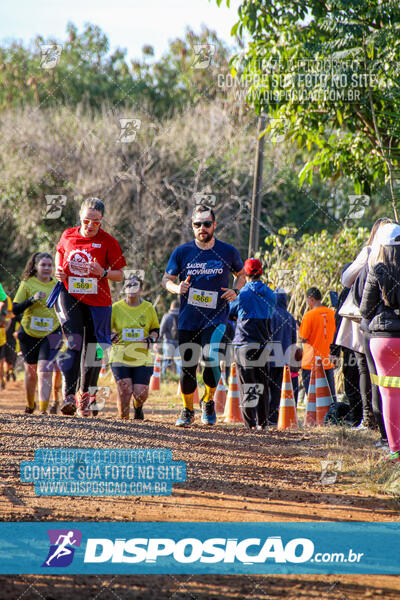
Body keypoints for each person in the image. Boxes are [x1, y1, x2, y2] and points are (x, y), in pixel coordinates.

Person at [162, 204, 245, 427]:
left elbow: (241, 274)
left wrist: (235, 290)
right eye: (197, 224)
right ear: (192, 226)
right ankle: (187, 409)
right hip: (188, 319)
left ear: (214, 225)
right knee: (188, 365)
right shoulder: (182, 252)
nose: (202, 228)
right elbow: (166, 280)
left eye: (207, 224)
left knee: (211, 360)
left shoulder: (228, 251)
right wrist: (176, 288)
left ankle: (208, 401)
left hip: (216, 318)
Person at [54, 197, 126, 416]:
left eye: (96, 222)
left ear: (101, 221)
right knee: (74, 342)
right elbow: (59, 252)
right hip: (70, 294)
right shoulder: (68, 235)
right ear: (80, 218)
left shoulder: (108, 241)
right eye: (87, 221)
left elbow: (120, 275)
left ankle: (86, 396)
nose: (91, 226)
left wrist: (103, 273)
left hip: (98, 301)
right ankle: (68, 395)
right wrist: (59, 269)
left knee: (93, 350)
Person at [340, 218, 392, 432]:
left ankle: (369, 419)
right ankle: (386, 424)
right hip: (390, 323)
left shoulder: (370, 251)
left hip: (369, 321)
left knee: (366, 369)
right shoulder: (394, 255)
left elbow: (346, 279)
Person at [360, 222, 400, 461]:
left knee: (390, 395)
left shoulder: (378, 269)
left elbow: (365, 310)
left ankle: (395, 449)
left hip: (384, 341)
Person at [12, 253, 63, 414]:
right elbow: (14, 309)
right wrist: (32, 299)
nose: (47, 268)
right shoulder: (27, 284)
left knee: (45, 369)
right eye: (43, 265)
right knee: (31, 372)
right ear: (35, 266)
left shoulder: (58, 285)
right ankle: (29, 404)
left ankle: (43, 410)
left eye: (49, 265)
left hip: (52, 333)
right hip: (29, 333)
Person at [229, 258, 276, 429]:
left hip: (244, 344)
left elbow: (230, 313)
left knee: (247, 385)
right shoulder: (271, 294)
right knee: (262, 383)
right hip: (263, 344)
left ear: (245, 274)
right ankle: (263, 423)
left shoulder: (241, 294)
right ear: (261, 272)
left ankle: (250, 425)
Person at [110, 275, 159, 420]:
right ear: (124, 289)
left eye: (135, 285)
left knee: (140, 393)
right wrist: (111, 336)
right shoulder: (116, 308)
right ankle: (123, 421)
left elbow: (155, 329)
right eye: (128, 285)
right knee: (125, 390)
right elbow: (106, 329)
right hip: (120, 355)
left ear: (141, 289)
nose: (132, 288)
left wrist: (151, 338)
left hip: (141, 356)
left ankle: (138, 407)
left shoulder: (148, 308)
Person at [299, 287, 336, 402]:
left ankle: (315, 420)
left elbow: (303, 338)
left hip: (311, 362)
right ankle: (332, 419)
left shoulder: (308, 316)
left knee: (313, 399)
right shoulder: (332, 314)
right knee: (330, 397)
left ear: (311, 299)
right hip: (327, 361)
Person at [268, 288, 298, 424]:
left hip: (269, 358)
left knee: (266, 387)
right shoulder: (290, 317)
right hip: (284, 360)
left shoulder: (270, 314)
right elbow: (293, 341)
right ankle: (274, 417)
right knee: (277, 389)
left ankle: (265, 416)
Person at [159, 300, 181, 376]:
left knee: (166, 360)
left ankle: (164, 376)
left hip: (168, 341)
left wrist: (159, 340)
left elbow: (162, 329)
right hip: (179, 341)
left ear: (171, 307)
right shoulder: (181, 315)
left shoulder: (167, 316)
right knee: (179, 361)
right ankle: (179, 378)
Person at [0, 293, 13, 389]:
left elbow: (10, 316)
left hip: (1, 337)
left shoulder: (6, 298)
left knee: (1, 362)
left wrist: (4, 328)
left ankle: (2, 380)